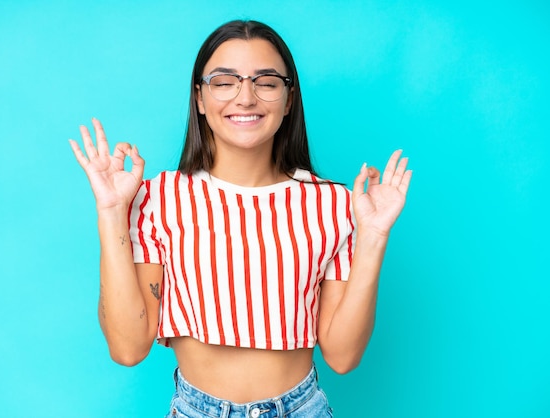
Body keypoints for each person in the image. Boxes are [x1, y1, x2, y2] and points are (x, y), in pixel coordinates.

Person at [69, 19, 412, 418]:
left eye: (265, 82)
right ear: (199, 97)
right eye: (224, 81)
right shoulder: (157, 198)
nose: (245, 97)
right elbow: (127, 349)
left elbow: (342, 356)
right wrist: (112, 213)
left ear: (288, 99)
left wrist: (372, 237)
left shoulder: (333, 204)